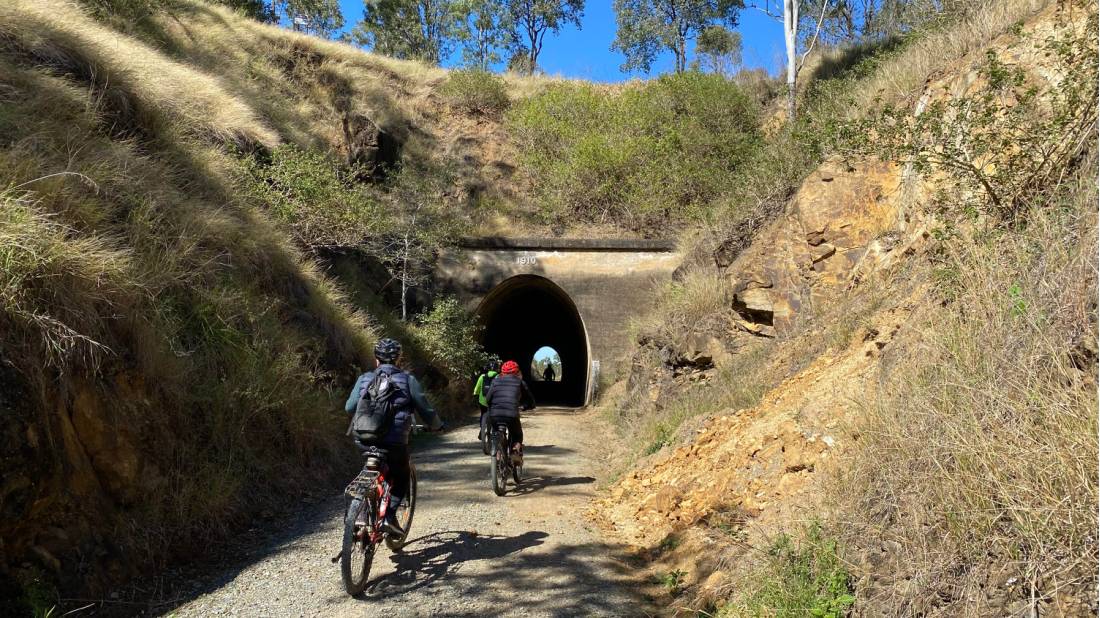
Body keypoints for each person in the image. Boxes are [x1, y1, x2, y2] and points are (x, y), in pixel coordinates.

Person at [344, 338, 443, 536]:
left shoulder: (364, 378)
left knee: (368, 469)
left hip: (363, 438)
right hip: (394, 442)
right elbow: (425, 409)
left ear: (376, 359)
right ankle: (389, 516)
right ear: (399, 359)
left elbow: (349, 407)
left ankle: (360, 515)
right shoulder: (408, 380)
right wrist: (437, 426)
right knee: (401, 474)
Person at [485, 360, 535, 463]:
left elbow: (487, 399)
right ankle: (515, 452)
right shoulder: (519, 382)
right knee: (517, 435)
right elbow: (531, 400)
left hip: (494, 415)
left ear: (502, 372)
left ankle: (498, 455)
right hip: (511, 415)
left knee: (496, 431)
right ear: (517, 372)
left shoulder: (495, 381)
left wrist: (492, 407)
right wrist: (526, 406)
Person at [473, 362, 499, 445]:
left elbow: (476, 389)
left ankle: (482, 429)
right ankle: (496, 431)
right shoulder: (499, 377)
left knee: (483, 413)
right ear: (497, 369)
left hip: (483, 401)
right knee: (496, 415)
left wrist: (476, 394)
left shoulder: (482, 376)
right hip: (494, 401)